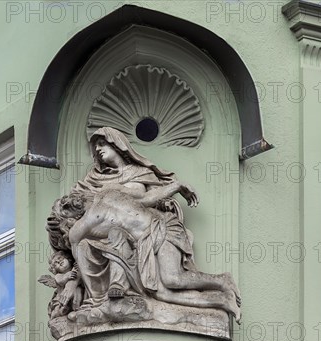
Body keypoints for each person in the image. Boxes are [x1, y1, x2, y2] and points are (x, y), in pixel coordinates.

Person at [61, 127, 240, 320]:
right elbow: (78, 244)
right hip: (141, 243)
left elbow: (146, 199)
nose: (97, 149)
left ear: (118, 144)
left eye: (102, 143)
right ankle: (222, 301)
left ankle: (223, 281)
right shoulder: (97, 190)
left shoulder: (130, 180)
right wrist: (72, 280)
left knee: (173, 279)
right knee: (163, 293)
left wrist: (176, 186)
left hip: (160, 228)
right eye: (95, 145)